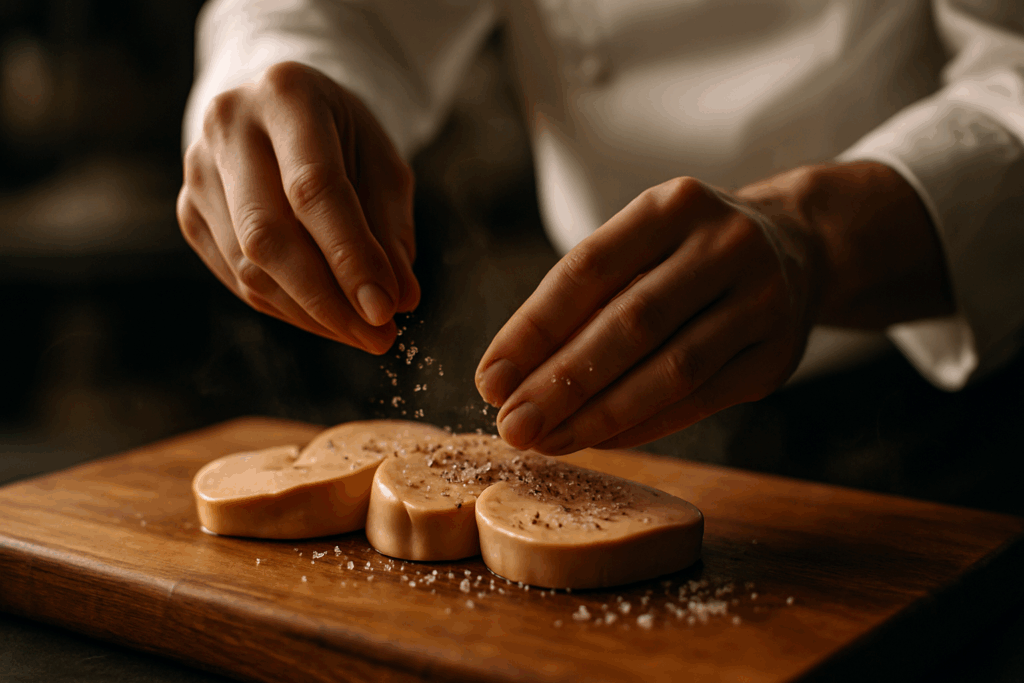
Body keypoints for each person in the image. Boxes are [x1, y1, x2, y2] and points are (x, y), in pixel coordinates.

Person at [176, 0, 1024, 454]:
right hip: (608, 399)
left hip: (933, 401)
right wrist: (272, 71)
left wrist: (816, 239)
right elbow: (341, 14)